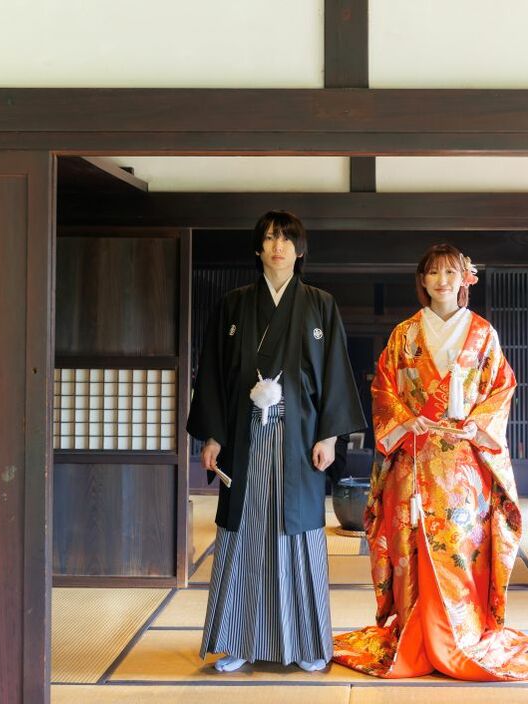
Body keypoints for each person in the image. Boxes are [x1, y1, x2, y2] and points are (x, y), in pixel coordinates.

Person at [332, 244, 528, 680]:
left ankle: (461, 637)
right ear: (422, 280)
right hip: (413, 460)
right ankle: (414, 635)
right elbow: (383, 390)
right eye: (433, 273)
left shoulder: (483, 334)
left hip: (463, 468)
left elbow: (501, 389)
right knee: (411, 551)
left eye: (450, 273)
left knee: (461, 551)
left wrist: (476, 425)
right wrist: (408, 420)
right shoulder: (404, 335)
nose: (442, 281)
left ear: (465, 279)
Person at [187, 210, 365, 673]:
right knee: (244, 533)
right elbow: (214, 375)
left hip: (299, 438)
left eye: (286, 239)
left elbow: (335, 372)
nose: (277, 247)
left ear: (300, 250)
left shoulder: (320, 304)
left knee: (299, 535)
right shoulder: (234, 305)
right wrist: (213, 436)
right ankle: (239, 640)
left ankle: (306, 642)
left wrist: (329, 435)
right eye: (269, 238)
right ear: (258, 248)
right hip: (244, 435)